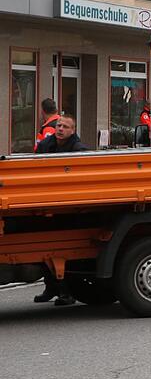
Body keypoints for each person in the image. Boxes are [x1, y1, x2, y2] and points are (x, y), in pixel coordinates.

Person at [32, 115, 87, 306]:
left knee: (63, 252)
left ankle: (67, 292)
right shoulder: (47, 144)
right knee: (43, 249)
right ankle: (51, 287)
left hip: (68, 208)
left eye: (65, 126)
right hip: (47, 203)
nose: (60, 129)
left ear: (73, 131)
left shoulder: (78, 149)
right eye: (58, 125)